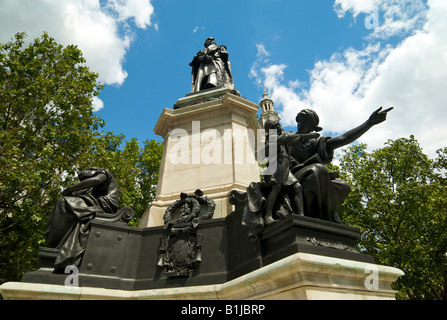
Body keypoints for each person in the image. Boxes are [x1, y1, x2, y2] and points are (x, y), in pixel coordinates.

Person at [290, 107, 393, 222]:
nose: (300, 124)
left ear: (313, 128)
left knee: (342, 185)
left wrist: (369, 123)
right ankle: (310, 218)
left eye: (305, 121)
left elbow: (344, 138)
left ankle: (325, 218)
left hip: (314, 176)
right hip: (293, 176)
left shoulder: (317, 143)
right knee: (318, 170)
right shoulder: (287, 139)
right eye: (299, 121)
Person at [45, 168, 119, 267]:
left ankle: (52, 247)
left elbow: (96, 180)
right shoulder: (89, 189)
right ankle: (54, 247)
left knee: (63, 202)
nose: (82, 176)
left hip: (104, 206)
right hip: (93, 204)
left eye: (84, 174)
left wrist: (70, 189)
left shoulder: (103, 173)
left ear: (93, 170)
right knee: (63, 204)